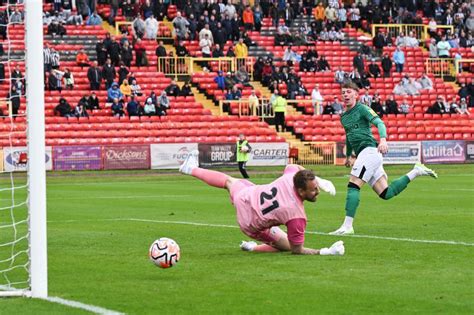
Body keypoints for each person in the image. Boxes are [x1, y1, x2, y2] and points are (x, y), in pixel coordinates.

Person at [178, 150, 344, 255]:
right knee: (286, 245)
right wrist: (325, 251)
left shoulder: (289, 177)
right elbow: (297, 250)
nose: (318, 192)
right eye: (314, 189)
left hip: (247, 195)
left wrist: (318, 180)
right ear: (301, 191)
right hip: (249, 222)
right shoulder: (296, 215)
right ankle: (253, 247)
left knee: (228, 181)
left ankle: (190, 169)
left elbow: (292, 165)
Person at [329, 82, 438, 235]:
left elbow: (379, 122)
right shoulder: (344, 117)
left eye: (348, 92)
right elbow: (349, 136)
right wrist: (348, 156)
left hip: (370, 152)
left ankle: (347, 226)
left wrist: (383, 140)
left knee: (353, 184)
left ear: (356, 94)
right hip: (364, 155)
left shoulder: (362, 109)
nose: (345, 95)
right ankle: (416, 171)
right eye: (343, 92)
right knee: (385, 193)